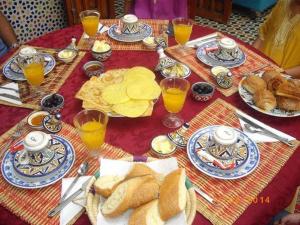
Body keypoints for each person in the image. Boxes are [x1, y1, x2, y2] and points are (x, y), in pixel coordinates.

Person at [253, 0, 300, 78]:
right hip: (260, 67)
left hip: (286, 81)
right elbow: (263, 34)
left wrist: (277, 75)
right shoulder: (283, 2)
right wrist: (252, 57)